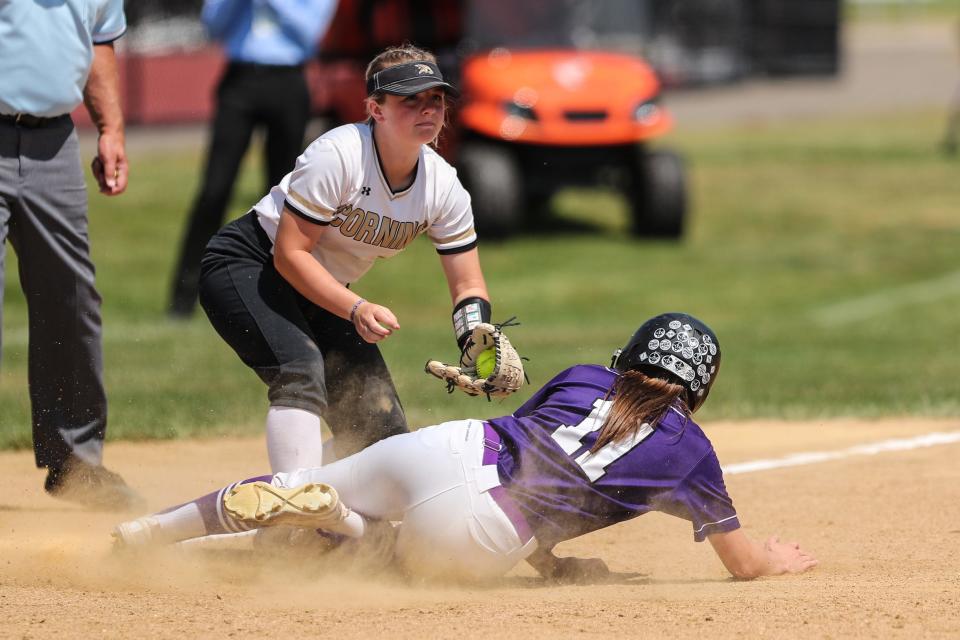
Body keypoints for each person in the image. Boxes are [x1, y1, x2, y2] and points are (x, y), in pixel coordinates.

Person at [114, 313, 819, 583]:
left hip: (446, 449)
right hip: (485, 528)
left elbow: (543, 455)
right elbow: (741, 561)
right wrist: (774, 563)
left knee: (307, 480)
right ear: (700, 389)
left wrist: (557, 564)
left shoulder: (581, 378)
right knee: (385, 563)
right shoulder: (689, 449)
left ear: (627, 356)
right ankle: (338, 520)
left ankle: (149, 530)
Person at [195, 44, 499, 474]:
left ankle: (289, 505)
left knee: (380, 429)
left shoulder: (443, 186)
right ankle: (294, 509)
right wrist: (356, 307)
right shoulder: (338, 154)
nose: (428, 108)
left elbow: (468, 286)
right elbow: (290, 254)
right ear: (375, 108)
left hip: (324, 291)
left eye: (435, 98)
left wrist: (478, 344)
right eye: (410, 99)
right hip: (249, 265)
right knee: (300, 371)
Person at [0, 0, 141, 509]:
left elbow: (99, 42)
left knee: (72, 298)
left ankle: (76, 462)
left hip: (54, 142)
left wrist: (111, 129)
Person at [167, 0, 339, 317]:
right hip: (240, 80)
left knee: (286, 198)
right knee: (213, 191)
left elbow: (311, 33)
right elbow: (212, 29)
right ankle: (183, 298)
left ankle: (280, 298)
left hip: (288, 82)